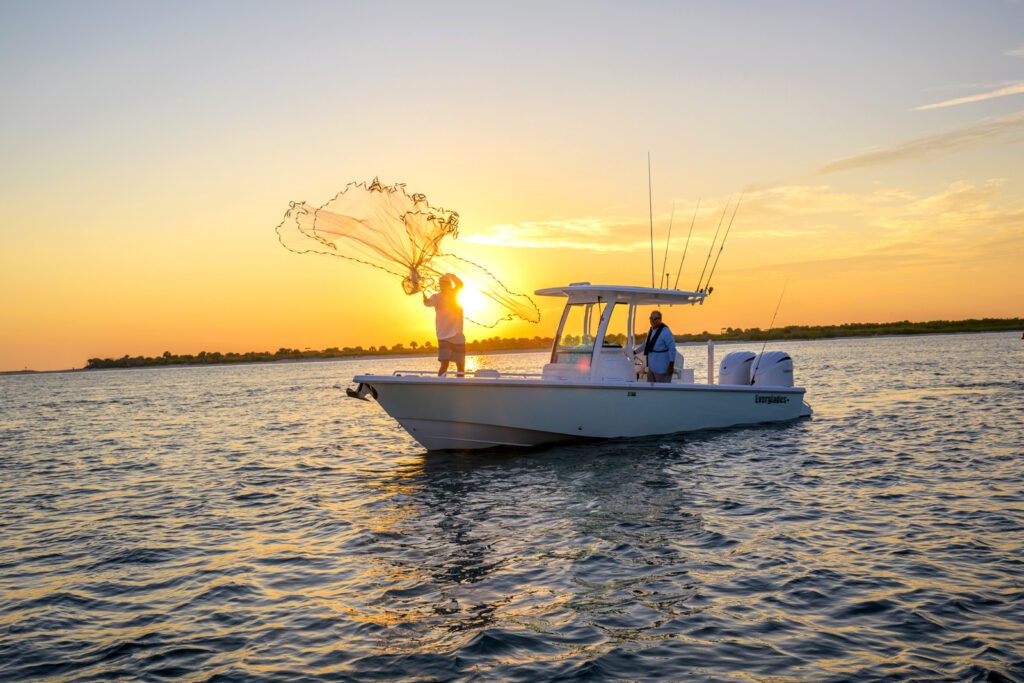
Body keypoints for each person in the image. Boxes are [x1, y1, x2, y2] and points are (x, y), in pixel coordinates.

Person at [423, 273, 465, 376]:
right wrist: (424, 297)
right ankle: (440, 384)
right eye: (442, 284)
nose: (443, 286)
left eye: (446, 284)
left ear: (449, 285)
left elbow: (460, 284)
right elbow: (427, 303)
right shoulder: (436, 297)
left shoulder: (454, 293)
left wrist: (451, 275)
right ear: (440, 286)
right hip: (443, 336)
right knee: (444, 363)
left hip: (458, 335)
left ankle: (460, 385)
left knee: (460, 364)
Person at [642, 310, 676, 383]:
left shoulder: (665, 331)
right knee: (651, 390)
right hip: (651, 367)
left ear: (660, 319)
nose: (652, 320)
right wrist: (634, 352)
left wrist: (671, 366)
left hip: (661, 368)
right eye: (651, 318)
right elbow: (646, 345)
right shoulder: (651, 330)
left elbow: (672, 349)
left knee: (662, 390)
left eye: (655, 318)